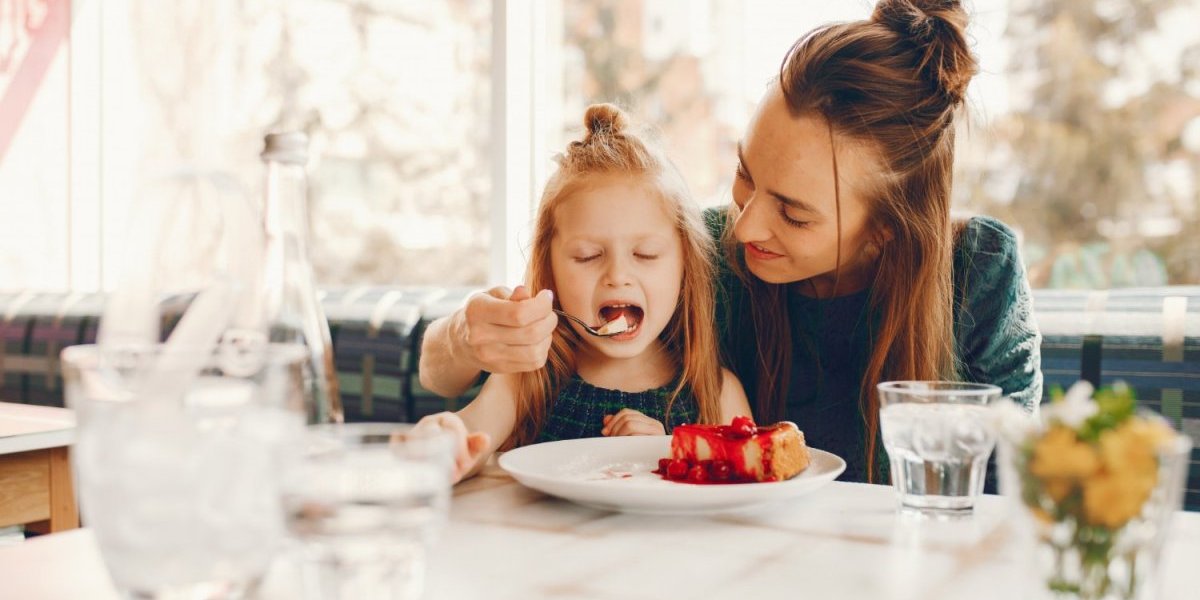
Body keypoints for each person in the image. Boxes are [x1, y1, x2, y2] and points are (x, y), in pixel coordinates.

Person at [418, 0, 1042, 484]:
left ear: (885, 231)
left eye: (793, 214)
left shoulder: (979, 273)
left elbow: (1011, 494)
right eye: (746, 175)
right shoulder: (698, 250)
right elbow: (446, 379)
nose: (743, 228)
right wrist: (467, 336)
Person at [417, 103, 751, 482]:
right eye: (588, 256)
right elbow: (472, 440)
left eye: (646, 254)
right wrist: (445, 442)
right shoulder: (527, 376)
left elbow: (744, 486)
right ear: (551, 270)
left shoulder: (715, 391)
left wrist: (667, 454)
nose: (618, 276)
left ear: (685, 267)